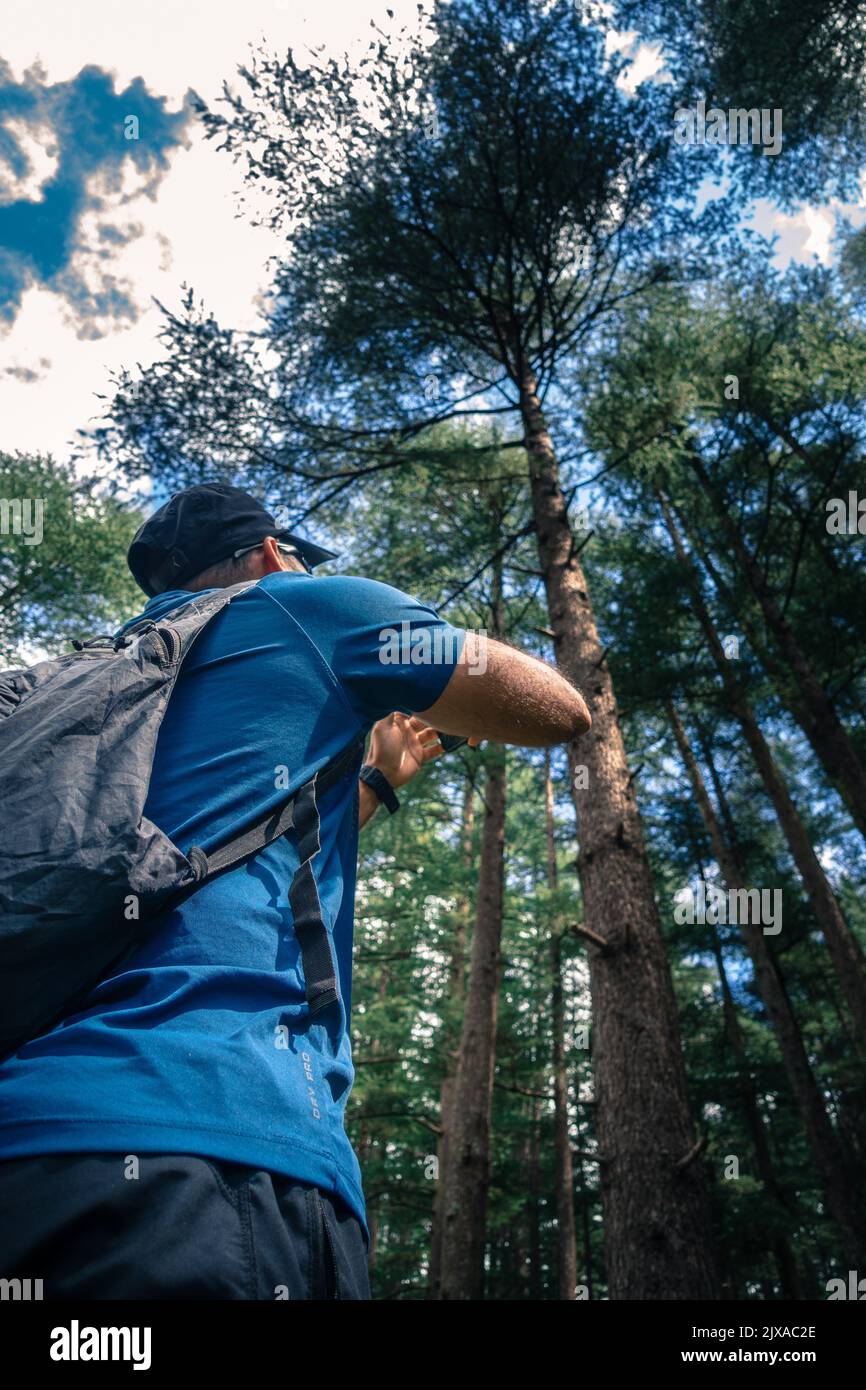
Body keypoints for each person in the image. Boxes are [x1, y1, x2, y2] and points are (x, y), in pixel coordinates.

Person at [0, 482, 590, 1300]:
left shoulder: (88, 689)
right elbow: (559, 711)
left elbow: (206, 847)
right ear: (271, 552)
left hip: (32, 1142)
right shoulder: (303, 607)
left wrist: (377, 783)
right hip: (218, 1146)